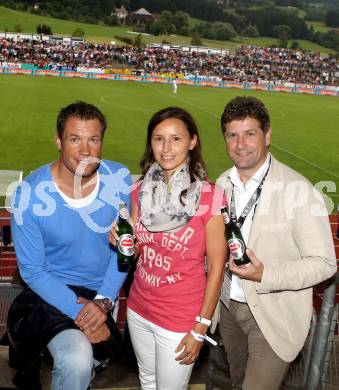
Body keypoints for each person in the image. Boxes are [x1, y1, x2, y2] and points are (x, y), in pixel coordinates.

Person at [214, 95, 336, 390]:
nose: (240, 144)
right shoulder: (221, 184)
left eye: (249, 133)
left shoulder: (300, 191)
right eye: (232, 135)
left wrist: (265, 274)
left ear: (267, 135)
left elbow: (324, 264)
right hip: (229, 309)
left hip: (274, 315)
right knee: (237, 383)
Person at [7, 101, 132, 390]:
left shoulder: (120, 179)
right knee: (77, 358)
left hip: (103, 295)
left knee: (87, 366)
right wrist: (83, 314)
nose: (86, 150)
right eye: (75, 139)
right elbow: (34, 271)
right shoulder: (29, 195)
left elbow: (124, 249)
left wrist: (102, 302)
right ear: (58, 141)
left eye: (94, 139)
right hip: (52, 296)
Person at [110, 106, 227, 390]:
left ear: (192, 141)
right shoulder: (140, 190)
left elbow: (217, 269)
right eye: (158, 138)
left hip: (180, 318)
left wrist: (200, 328)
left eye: (176, 138)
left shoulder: (212, 196)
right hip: (139, 308)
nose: (166, 148)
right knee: (147, 383)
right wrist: (119, 240)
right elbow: (136, 250)